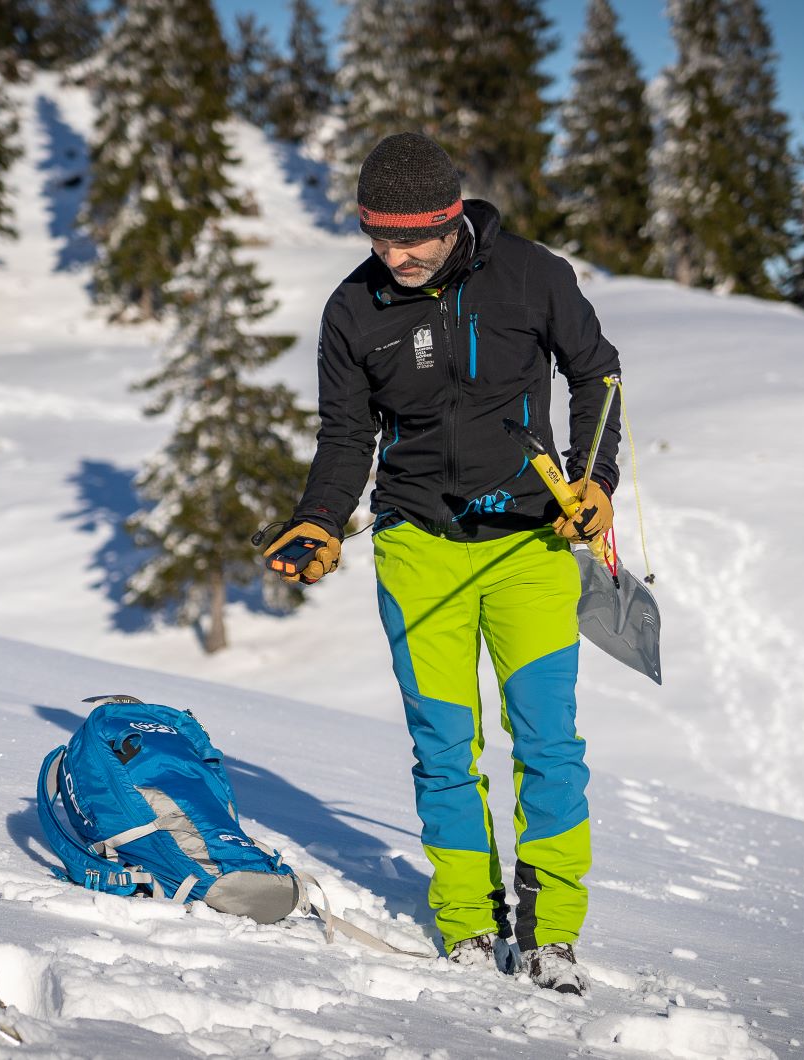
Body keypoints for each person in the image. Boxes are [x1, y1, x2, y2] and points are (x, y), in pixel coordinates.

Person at [263, 132, 622, 996]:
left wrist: (593, 480)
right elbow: (347, 434)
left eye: (411, 237)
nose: (396, 255)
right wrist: (318, 519)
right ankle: (465, 925)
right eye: (376, 236)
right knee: (442, 747)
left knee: (547, 744)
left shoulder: (534, 275)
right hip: (417, 543)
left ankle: (551, 933)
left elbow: (596, 374)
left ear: (451, 217)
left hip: (532, 544)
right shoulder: (353, 310)